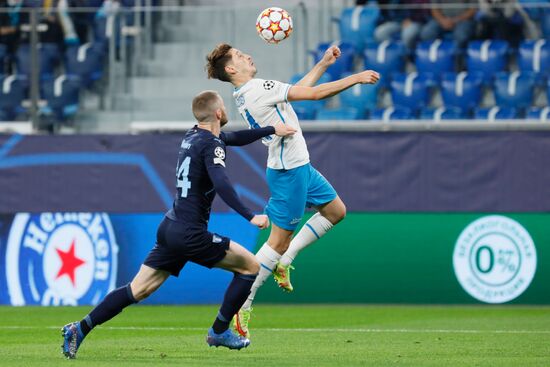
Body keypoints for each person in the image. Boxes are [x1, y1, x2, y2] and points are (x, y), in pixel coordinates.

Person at [60, 90, 297, 359]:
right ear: (218, 113)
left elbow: (231, 138)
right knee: (250, 267)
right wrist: (250, 215)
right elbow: (221, 181)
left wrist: (271, 129)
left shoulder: (193, 136)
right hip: (190, 233)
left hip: (170, 227)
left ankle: (79, 329)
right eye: (223, 107)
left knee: (137, 290)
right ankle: (219, 331)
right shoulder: (212, 144)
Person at [205, 43, 380, 338]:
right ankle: (243, 302)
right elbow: (312, 95)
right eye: (239, 55)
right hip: (289, 173)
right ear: (231, 69)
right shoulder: (258, 87)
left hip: (300, 166)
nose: (247, 54)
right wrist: (354, 78)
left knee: (336, 211)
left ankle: (284, 262)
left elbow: (297, 92)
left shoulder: (248, 92)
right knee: (277, 242)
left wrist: (323, 64)